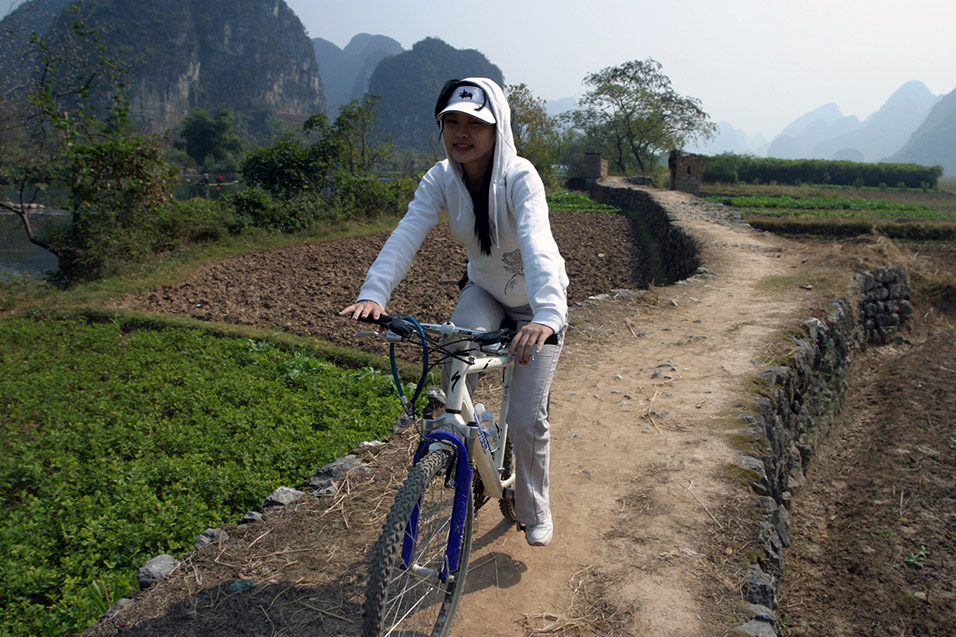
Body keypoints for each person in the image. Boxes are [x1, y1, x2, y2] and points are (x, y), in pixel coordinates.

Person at [339, 77, 568, 547]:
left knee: (527, 419)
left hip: (536, 305)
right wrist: (374, 293)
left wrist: (546, 315)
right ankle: (477, 431)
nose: (461, 133)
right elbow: (408, 233)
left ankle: (532, 506)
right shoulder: (440, 178)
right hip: (485, 290)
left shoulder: (520, 177)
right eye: (452, 122)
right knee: (456, 354)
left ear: (497, 127)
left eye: (475, 124)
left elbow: (538, 243)